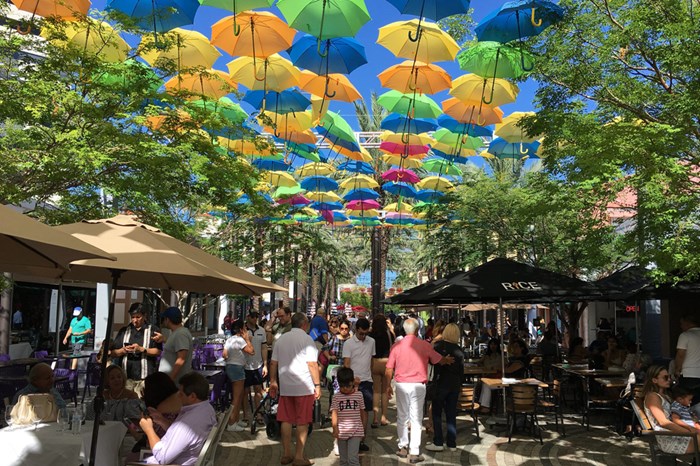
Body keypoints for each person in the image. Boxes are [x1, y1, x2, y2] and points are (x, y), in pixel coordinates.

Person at [385, 318, 454, 464]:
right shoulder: (425, 345)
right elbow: (438, 360)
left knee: (402, 416)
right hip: (418, 385)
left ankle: (403, 447)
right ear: (417, 330)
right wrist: (447, 360)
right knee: (416, 418)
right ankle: (414, 451)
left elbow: (389, 368)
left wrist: (387, 386)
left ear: (404, 330)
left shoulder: (397, 346)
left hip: (402, 384)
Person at [269, 312, 321, 466]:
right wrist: (317, 385)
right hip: (303, 386)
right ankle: (298, 456)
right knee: (302, 421)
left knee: (285, 420)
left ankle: (286, 454)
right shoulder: (307, 339)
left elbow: (273, 363)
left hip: (286, 386)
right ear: (304, 324)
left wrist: (273, 381)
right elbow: (312, 365)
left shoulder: (281, 340)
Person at [140, 372, 217, 465]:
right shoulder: (206, 409)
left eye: (181, 394)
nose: (177, 396)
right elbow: (183, 437)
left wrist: (149, 430)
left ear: (192, 396)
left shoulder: (189, 422)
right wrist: (162, 421)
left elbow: (162, 458)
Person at [643, 365, 700, 455]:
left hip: (677, 433)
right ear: (654, 380)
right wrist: (689, 431)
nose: (669, 379)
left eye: (669, 376)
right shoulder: (653, 397)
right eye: (665, 377)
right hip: (668, 438)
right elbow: (663, 422)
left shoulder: (667, 396)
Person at [426, 323, 464, 452]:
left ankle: (438, 442)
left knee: (437, 413)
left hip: (440, 383)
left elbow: (430, 361)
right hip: (454, 385)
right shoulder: (459, 350)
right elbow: (461, 371)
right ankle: (451, 443)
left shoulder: (437, 346)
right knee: (451, 413)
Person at [111, 302, 162, 395]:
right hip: (127, 378)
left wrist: (142, 350)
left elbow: (158, 351)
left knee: (142, 405)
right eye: (133, 317)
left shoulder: (153, 330)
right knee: (127, 404)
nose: (135, 320)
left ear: (144, 316)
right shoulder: (124, 331)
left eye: (138, 317)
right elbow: (113, 352)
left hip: (145, 378)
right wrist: (123, 350)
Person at [342, 317, 375, 452]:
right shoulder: (348, 344)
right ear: (356, 330)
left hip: (366, 381)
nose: (363, 336)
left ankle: (361, 440)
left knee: (364, 411)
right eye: (361, 333)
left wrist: (370, 375)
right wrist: (350, 381)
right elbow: (346, 363)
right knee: (350, 411)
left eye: (366, 334)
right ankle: (348, 437)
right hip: (352, 383)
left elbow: (371, 360)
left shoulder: (371, 342)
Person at [479, 340, 529, 414]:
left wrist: (498, 368)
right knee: (485, 382)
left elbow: (509, 370)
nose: (513, 348)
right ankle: (483, 405)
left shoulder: (522, 360)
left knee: (487, 385)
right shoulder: (514, 359)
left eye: (516, 347)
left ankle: (485, 408)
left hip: (515, 381)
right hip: (507, 380)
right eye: (513, 347)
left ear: (522, 348)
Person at [331, 367, 366, 466]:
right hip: (341, 432)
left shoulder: (359, 395)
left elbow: (362, 412)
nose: (345, 388)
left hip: (356, 431)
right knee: (343, 461)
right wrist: (335, 428)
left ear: (352, 382)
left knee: (353, 460)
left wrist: (363, 428)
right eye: (342, 386)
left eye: (348, 385)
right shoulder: (336, 397)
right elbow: (334, 413)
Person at [223, 319, 254, 432]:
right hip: (237, 368)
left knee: (239, 396)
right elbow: (251, 351)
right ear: (241, 330)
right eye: (245, 328)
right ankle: (231, 423)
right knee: (236, 398)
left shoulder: (229, 340)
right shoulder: (240, 340)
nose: (246, 330)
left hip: (230, 367)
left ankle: (235, 420)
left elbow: (224, 354)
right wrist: (247, 339)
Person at [153, 307, 192, 383]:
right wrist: (165, 340)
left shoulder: (181, 334)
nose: (163, 322)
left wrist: (170, 379)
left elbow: (181, 358)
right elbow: (175, 347)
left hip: (175, 383)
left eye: (163, 319)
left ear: (168, 319)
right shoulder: (176, 333)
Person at [242, 310, 268, 425]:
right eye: (252, 317)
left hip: (258, 365)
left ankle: (258, 413)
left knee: (258, 390)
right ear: (247, 317)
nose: (254, 319)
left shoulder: (262, 331)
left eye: (256, 317)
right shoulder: (242, 331)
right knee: (245, 391)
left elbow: (264, 348)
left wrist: (265, 364)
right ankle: (246, 415)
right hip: (245, 365)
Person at [369, 314, 394, 428]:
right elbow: (392, 347)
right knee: (385, 391)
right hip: (386, 362)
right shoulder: (388, 334)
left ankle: (374, 418)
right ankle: (384, 417)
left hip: (374, 362)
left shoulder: (370, 335)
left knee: (376, 391)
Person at [675, 313, 700, 404]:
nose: (681, 326)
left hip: (688, 374)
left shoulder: (685, 335)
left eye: (681, 323)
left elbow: (681, 354)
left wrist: (677, 369)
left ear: (687, 323)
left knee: (687, 401)